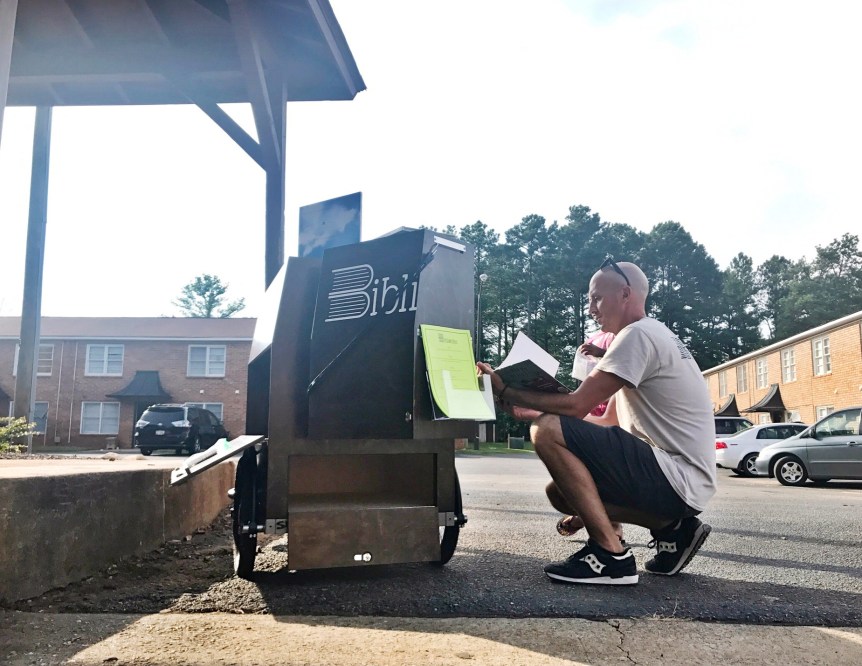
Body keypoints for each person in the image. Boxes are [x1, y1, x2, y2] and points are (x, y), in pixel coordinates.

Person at [477, 257, 716, 586]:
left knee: (545, 431)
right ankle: (673, 530)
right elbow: (605, 422)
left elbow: (575, 406)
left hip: (677, 478)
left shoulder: (637, 335)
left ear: (625, 294)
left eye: (597, 298)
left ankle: (610, 556)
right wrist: (533, 411)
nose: (590, 309)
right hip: (684, 485)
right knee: (562, 493)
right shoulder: (652, 335)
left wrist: (508, 391)